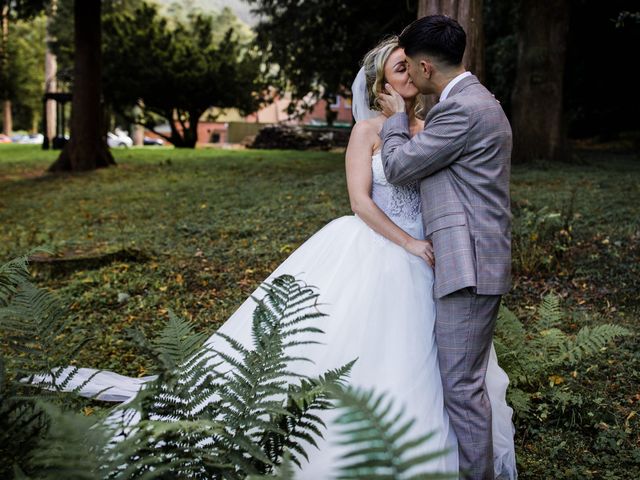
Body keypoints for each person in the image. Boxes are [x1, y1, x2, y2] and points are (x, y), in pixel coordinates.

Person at [39, 36, 517, 479]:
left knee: (442, 364)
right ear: (383, 83)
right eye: (398, 68)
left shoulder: (436, 124)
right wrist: (409, 242)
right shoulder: (368, 131)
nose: (409, 73)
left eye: (411, 65)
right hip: (382, 250)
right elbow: (361, 202)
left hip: (438, 261)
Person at [378, 16, 514, 480]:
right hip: (469, 256)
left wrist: (397, 116)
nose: (409, 79)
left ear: (423, 67)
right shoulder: (477, 100)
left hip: (468, 262)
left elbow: (397, 167)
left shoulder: (461, 110)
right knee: (463, 382)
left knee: (461, 386)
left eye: (409, 70)